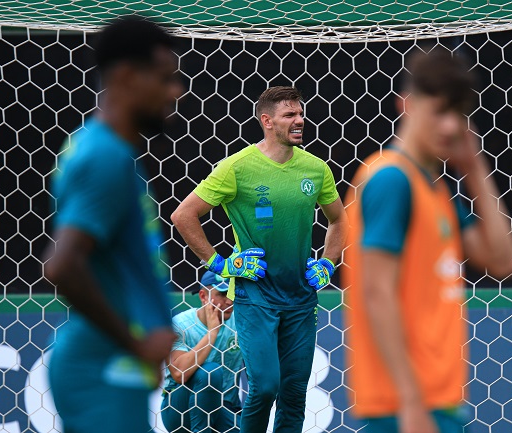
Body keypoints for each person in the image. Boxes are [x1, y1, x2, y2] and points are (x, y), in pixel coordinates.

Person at [343, 49, 512, 433]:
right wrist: (410, 402)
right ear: (406, 105)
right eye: (439, 111)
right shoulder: (391, 180)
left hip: (439, 401)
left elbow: (504, 262)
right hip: (405, 408)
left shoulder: (435, 188)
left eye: (459, 114)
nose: (451, 126)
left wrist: (474, 168)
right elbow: (376, 293)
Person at [171, 86, 348, 432]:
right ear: (267, 121)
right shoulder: (236, 168)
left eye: (301, 113)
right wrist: (220, 265)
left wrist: (328, 262)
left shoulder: (316, 169)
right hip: (255, 296)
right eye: (289, 115)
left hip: (301, 296)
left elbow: (340, 220)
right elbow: (183, 215)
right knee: (265, 386)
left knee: (294, 394)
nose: (300, 120)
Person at [43, 16, 184, 433]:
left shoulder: (99, 146)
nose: (175, 91)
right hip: (104, 365)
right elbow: (62, 265)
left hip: (112, 365)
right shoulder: (105, 156)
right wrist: (136, 344)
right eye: (165, 78)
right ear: (126, 77)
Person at [161, 271, 243, 433]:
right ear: (203, 296)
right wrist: (212, 333)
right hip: (180, 408)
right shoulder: (180, 324)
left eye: (232, 294)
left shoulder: (241, 323)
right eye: (222, 294)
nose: (229, 301)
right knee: (210, 372)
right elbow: (179, 373)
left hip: (225, 408)